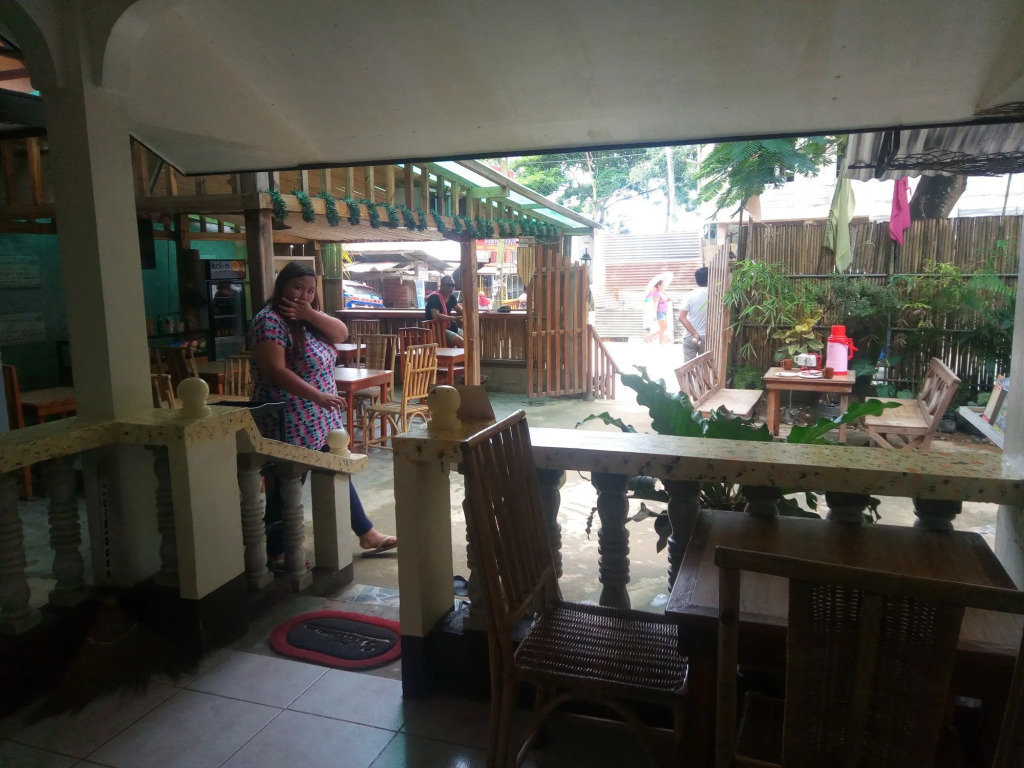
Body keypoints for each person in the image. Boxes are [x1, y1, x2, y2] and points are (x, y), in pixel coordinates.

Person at [249, 261, 397, 564]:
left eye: (310, 290)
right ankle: (277, 548)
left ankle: (366, 533)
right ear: (282, 286)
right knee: (290, 479)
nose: (303, 295)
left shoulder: (307, 319)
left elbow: (341, 333)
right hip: (288, 414)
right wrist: (318, 395)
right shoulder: (269, 321)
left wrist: (309, 313)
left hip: (318, 415)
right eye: (297, 288)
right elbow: (275, 370)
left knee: (335, 467)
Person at [678, 266, 709, 362]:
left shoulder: (689, 295)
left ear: (696, 280)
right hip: (708, 337)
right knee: (707, 366)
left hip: (690, 336)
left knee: (688, 367)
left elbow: (681, 317)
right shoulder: (716, 294)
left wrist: (695, 333)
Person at [424, 275, 464, 347]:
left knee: (468, 338)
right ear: (441, 286)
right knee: (461, 341)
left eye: (453, 285)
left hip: (448, 327)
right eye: (448, 285)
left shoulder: (451, 297)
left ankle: (463, 354)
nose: (451, 287)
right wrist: (453, 318)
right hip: (435, 329)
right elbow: (435, 315)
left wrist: (469, 314)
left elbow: (459, 310)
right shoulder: (434, 297)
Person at [645, 279, 670, 345]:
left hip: (665, 312)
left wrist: (668, 299)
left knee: (665, 328)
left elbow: (666, 300)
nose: (664, 285)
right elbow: (655, 305)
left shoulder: (663, 293)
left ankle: (652, 335)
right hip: (660, 312)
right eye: (663, 284)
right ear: (659, 286)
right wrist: (655, 315)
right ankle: (661, 344)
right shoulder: (657, 294)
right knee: (662, 328)